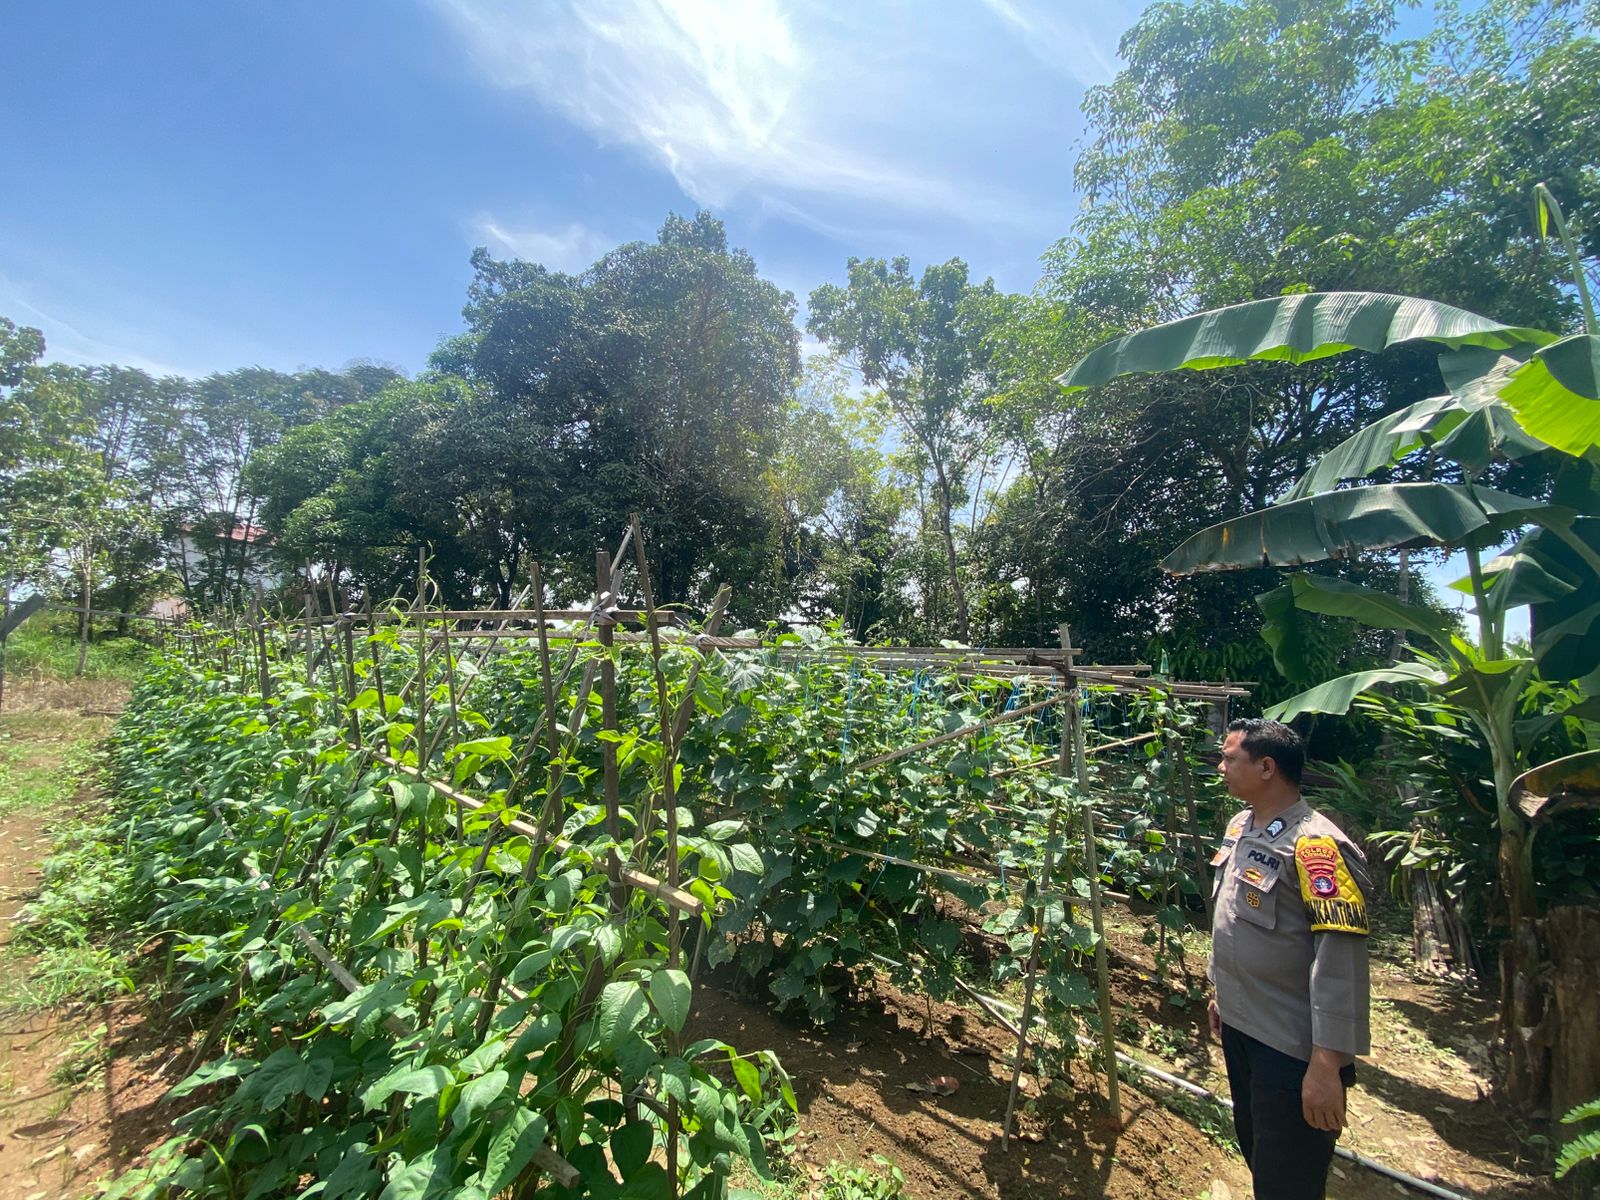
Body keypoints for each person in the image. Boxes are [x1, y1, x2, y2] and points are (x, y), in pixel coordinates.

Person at [1207, 718, 1371, 1200]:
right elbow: (1233, 918)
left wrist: (1326, 1063)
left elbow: (1340, 958)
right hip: (1242, 1026)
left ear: (1266, 767)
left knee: (1288, 1178)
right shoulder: (1241, 826)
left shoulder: (1317, 847)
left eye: (1229, 759)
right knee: (1257, 1148)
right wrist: (1221, 992)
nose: (1220, 767)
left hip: (1290, 1046)